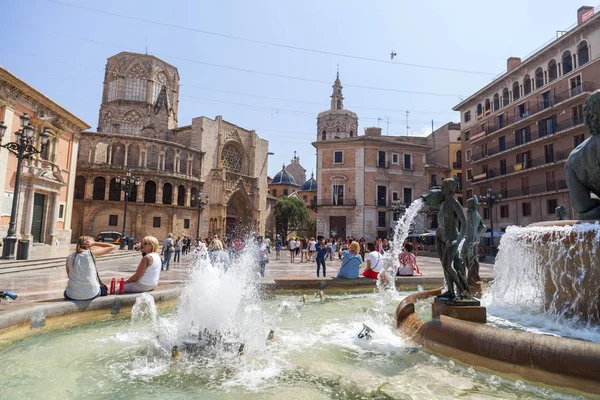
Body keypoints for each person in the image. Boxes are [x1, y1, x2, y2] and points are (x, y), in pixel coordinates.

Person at [64, 236, 116, 301]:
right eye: (92, 243)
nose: (94, 246)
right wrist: (95, 243)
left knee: (65, 292)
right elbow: (112, 246)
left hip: (72, 294)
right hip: (91, 293)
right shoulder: (90, 253)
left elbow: (69, 275)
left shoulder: (69, 257)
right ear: (88, 244)